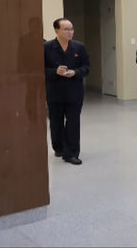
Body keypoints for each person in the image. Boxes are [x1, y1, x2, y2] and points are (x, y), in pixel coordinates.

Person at [43, 18, 90, 165]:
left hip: (74, 92)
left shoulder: (79, 47)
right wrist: (54, 71)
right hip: (54, 93)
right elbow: (40, 70)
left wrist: (75, 72)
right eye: (66, 29)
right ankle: (59, 147)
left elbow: (86, 67)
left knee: (73, 123)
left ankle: (72, 153)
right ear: (57, 30)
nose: (70, 32)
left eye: (71, 29)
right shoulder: (47, 47)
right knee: (56, 123)